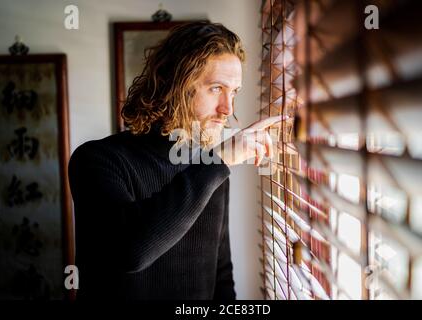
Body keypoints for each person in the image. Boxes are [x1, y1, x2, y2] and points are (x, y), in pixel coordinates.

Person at [68, 21, 283, 300]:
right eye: (216, 88)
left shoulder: (211, 170)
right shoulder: (96, 160)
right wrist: (219, 161)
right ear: (175, 86)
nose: (227, 109)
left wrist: (216, 165)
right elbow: (130, 252)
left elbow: (220, 273)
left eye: (234, 92)